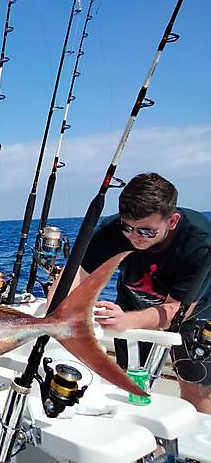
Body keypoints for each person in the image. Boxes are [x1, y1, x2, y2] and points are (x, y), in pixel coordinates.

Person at [63, 173, 210, 413]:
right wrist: (54, 318)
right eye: (128, 228)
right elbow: (73, 278)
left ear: (172, 221)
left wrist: (125, 321)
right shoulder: (113, 231)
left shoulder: (199, 242)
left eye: (146, 231)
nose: (134, 237)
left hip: (194, 313)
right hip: (132, 305)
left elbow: (175, 311)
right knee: (128, 380)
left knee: (196, 386)